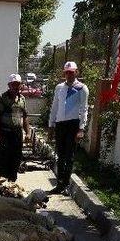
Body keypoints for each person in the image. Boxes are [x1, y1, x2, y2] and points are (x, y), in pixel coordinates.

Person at [47, 61, 89, 195]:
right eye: (67, 72)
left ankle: (66, 184)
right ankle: (59, 184)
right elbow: (54, 108)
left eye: (71, 72)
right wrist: (50, 125)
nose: (69, 74)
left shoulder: (82, 88)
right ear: (64, 73)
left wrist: (81, 128)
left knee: (69, 156)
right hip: (60, 125)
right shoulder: (59, 88)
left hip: (73, 124)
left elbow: (84, 109)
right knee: (60, 155)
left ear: (76, 72)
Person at [0, 74, 30, 182]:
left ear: (20, 85)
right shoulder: (2, 98)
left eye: (17, 84)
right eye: (13, 84)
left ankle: (12, 184)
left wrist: (27, 132)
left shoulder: (22, 99)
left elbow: (25, 116)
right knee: (1, 161)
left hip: (17, 135)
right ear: (9, 85)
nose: (15, 87)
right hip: (4, 133)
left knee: (15, 159)